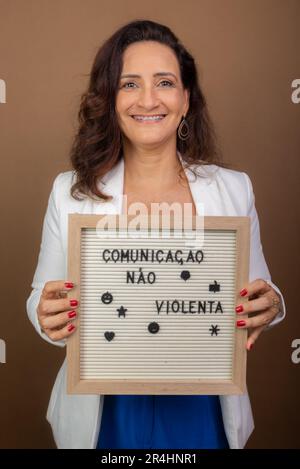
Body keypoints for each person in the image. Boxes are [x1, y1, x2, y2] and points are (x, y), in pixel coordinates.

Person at [26, 19, 286, 449]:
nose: (148, 99)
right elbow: (41, 297)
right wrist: (45, 313)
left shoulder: (233, 188)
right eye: (129, 85)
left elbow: (262, 292)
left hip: (202, 410)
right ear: (110, 99)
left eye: (164, 82)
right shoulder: (69, 191)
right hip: (106, 410)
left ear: (186, 100)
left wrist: (271, 303)